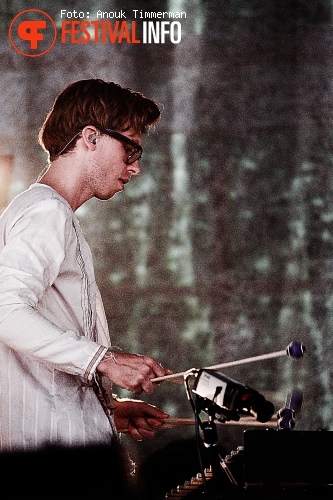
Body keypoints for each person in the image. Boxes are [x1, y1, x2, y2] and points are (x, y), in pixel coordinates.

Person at [0, 79, 172, 497]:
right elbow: (5, 311)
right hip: (55, 469)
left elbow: (35, 367)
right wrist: (105, 361)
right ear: (90, 137)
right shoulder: (45, 211)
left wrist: (107, 409)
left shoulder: (47, 212)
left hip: (58, 458)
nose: (135, 167)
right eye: (131, 149)